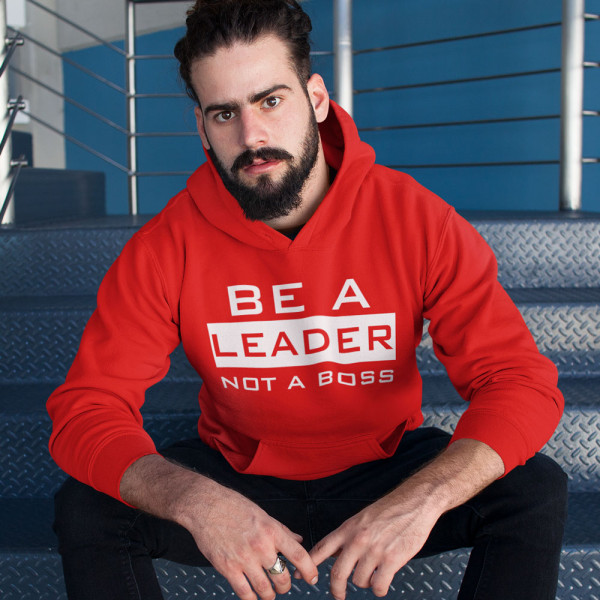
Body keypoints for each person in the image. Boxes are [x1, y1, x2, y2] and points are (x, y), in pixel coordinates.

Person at [48, 1, 568, 599]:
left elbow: (517, 382)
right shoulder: (165, 246)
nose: (251, 137)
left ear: (316, 99)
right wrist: (196, 501)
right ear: (202, 127)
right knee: (88, 508)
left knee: (532, 490)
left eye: (271, 100)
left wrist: (422, 499)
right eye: (225, 113)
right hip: (239, 479)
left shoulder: (418, 221)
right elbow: (87, 409)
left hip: (386, 471)